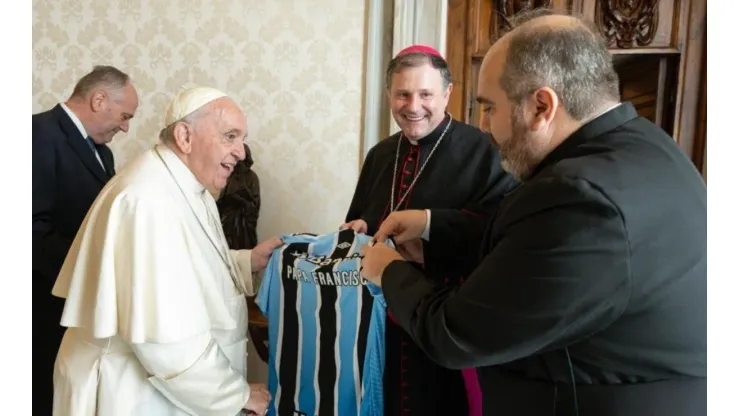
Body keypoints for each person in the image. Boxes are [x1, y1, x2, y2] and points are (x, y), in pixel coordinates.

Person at [360, 9, 707, 416]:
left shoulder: (579, 196)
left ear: (542, 105)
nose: (487, 126)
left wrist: (388, 271)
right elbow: (532, 253)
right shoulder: (647, 145)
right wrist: (432, 230)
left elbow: (455, 334)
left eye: (490, 107)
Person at [50, 86, 283, 415]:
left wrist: (247, 262)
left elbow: (181, 266)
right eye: (230, 136)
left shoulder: (182, 184)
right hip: (129, 393)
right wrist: (236, 395)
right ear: (185, 136)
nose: (241, 152)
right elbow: (167, 344)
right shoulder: (148, 201)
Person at [342, 45, 518, 415]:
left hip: (445, 324)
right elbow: (364, 221)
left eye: (425, 94)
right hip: (381, 327)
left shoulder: (485, 150)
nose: (413, 105)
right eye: (403, 94)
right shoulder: (380, 154)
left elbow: (500, 234)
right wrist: (358, 228)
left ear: (447, 94)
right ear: (390, 95)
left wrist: (429, 224)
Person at [32, 64, 139, 412]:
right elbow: (29, 229)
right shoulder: (36, 134)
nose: (125, 126)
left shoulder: (102, 151)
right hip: (40, 302)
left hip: (75, 305)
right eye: (124, 116)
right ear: (98, 100)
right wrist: (86, 275)